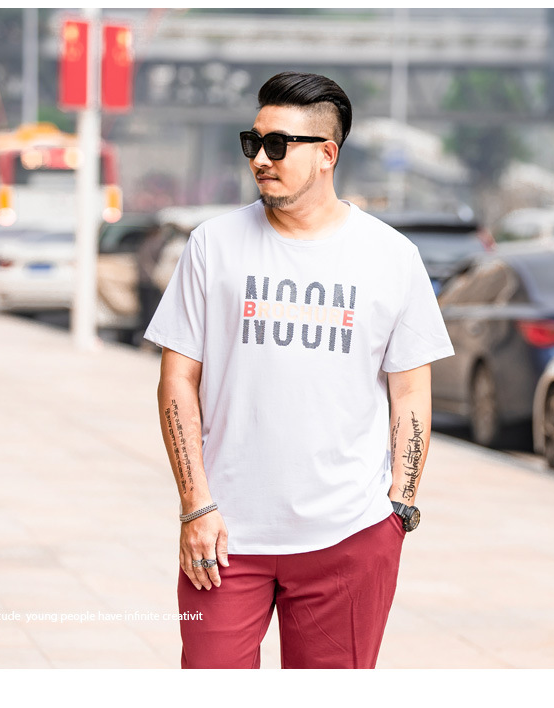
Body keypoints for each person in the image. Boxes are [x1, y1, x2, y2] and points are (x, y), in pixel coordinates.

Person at [144, 71, 454, 669]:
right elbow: (177, 379)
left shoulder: (392, 257)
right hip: (224, 537)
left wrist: (400, 507)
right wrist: (195, 504)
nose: (260, 159)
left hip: (350, 537)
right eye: (252, 142)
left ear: (326, 155)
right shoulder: (212, 245)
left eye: (277, 145)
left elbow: (411, 390)